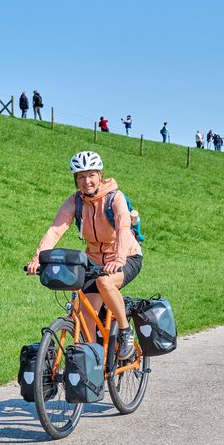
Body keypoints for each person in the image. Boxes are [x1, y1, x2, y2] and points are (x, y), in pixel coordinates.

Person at [27, 151, 143, 359]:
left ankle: (126, 332)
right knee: (86, 315)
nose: (86, 181)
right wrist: (38, 259)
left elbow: (124, 228)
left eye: (91, 175)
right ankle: (92, 366)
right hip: (95, 260)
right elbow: (55, 230)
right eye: (80, 176)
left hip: (127, 256)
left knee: (105, 284)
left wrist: (118, 259)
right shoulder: (75, 202)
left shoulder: (115, 198)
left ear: (100, 175)